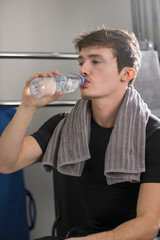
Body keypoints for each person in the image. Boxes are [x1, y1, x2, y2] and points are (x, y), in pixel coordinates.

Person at [0, 28, 160, 240]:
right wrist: (28, 107)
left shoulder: (153, 134)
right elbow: (6, 163)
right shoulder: (64, 125)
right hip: (86, 235)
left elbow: (150, 225)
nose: (83, 69)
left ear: (126, 74)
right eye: (81, 61)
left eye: (95, 61)